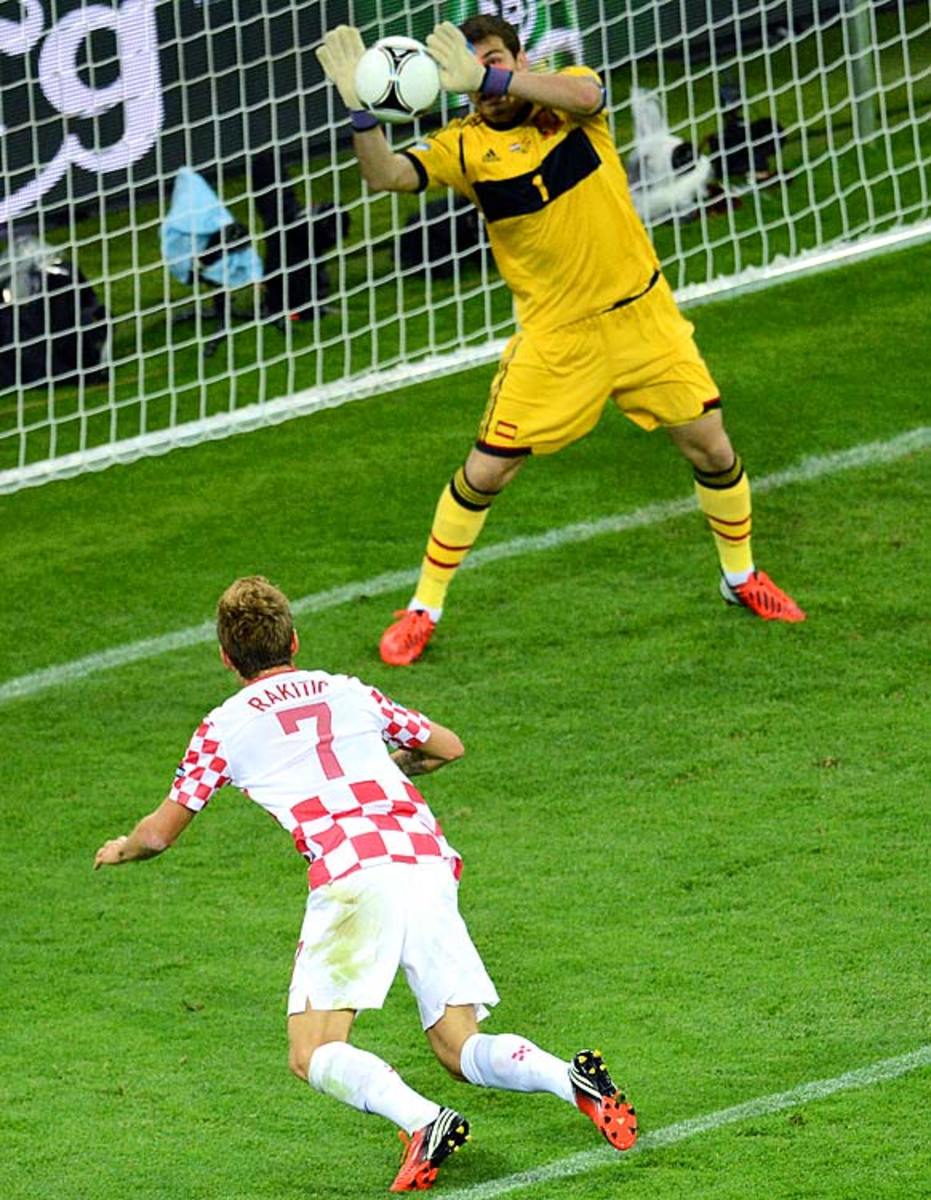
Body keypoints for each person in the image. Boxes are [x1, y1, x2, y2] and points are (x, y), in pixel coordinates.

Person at [94, 576, 637, 1192]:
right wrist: (387, 765)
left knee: (311, 1050)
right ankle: (571, 1079)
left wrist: (123, 849)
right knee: (458, 1045)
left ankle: (424, 1120)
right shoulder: (347, 691)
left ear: (226, 656)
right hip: (425, 860)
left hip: (354, 875)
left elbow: (159, 834)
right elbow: (447, 747)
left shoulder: (223, 727)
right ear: (293, 641)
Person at [315, 16, 806, 667]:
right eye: (469, 71)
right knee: (486, 471)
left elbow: (588, 94)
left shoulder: (570, 100)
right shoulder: (462, 147)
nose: (482, 81)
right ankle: (422, 609)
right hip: (556, 340)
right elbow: (385, 176)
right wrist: (360, 108)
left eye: (493, 61)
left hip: (642, 319)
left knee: (711, 449)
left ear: (519, 59)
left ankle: (740, 576)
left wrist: (493, 77)